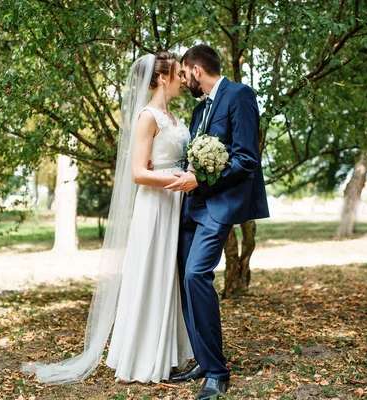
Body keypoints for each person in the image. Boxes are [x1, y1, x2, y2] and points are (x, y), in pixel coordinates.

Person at [22, 52, 193, 384]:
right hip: (156, 205)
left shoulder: (173, 117)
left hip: (176, 204)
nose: (184, 80)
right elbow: (138, 173)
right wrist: (178, 180)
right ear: (162, 78)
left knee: (169, 278)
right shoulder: (147, 117)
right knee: (150, 274)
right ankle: (142, 357)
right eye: (178, 75)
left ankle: (167, 352)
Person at [165, 44, 270, 400]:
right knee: (184, 278)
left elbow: (245, 160)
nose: (184, 80)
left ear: (196, 70)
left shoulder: (240, 95)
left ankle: (217, 373)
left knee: (197, 274)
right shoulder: (198, 110)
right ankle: (203, 358)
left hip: (219, 205)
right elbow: (194, 159)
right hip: (192, 207)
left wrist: (202, 180)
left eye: (184, 72)